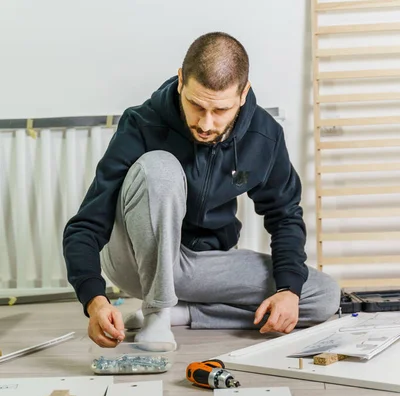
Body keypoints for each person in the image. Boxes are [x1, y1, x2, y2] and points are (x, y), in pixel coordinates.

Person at [63, 31, 340, 349]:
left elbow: (285, 216)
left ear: (243, 93)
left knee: (322, 296)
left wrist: (288, 291)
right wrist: (94, 300)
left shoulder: (265, 136)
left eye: (220, 111)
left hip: (204, 265)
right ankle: (156, 312)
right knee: (159, 168)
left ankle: (183, 313)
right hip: (136, 262)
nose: (206, 123)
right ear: (181, 81)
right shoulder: (141, 124)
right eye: (196, 105)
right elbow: (85, 225)